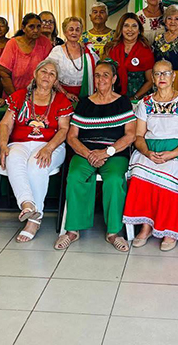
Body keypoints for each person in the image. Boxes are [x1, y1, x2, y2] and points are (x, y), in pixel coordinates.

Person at [123, 60, 178, 251]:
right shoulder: (145, 103)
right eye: (158, 74)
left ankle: (171, 229)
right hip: (151, 149)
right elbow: (138, 135)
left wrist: (172, 154)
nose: (162, 77)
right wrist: (147, 152)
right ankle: (146, 226)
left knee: (172, 173)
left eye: (166, 73)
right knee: (140, 172)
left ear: (173, 77)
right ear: (152, 78)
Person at [55, 60, 136, 252]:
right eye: (97, 75)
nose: (101, 79)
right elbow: (72, 136)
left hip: (114, 154)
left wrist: (107, 152)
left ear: (114, 79)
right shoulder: (84, 103)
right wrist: (88, 153)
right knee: (75, 177)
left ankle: (113, 232)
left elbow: (130, 134)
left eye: (105, 75)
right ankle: (73, 230)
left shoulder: (123, 102)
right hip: (86, 153)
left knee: (115, 180)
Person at [0, 60, 73, 242]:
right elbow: (5, 123)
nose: (47, 76)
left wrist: (48, 148)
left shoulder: (61, 100)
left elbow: (64, 130)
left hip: (51, 144)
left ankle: (34, 219)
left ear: (56, 81)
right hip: (20, 143)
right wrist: (2, 145)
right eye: (44, 71)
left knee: (36, 164)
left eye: (52, 74)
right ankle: (27, 204)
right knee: (13, 158)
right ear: (35, 74)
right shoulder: (20, 96)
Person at [0, 13, 54, 96]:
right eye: (31, 27)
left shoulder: (45, 42)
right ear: (23, 28)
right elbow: (2, 72)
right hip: (14, 94)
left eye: (38, 26)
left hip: (39, 95)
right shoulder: (13, 43)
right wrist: (15, 97)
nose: (35, 30)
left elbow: (50, 69)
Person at [47, 16, 98, 102]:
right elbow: (49, 74)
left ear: (81, 32)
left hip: (86, 94)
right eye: (71, 29)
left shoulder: (88, 50)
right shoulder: (57, 51)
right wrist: (65, 93)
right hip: (61, 95)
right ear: (65, 32)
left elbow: (97, 71)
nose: (74, 32)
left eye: (77, 30)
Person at [105, 13, 155, 101]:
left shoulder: (146, 50)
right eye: (126, 26)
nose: (130, 30)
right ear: (121, 29)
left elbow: (150, 81)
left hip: (139, 98)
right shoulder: (111, 48)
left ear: (139, 30)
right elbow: (104, 75)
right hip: (114, 97)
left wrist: (134, 98)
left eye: (134, 26)